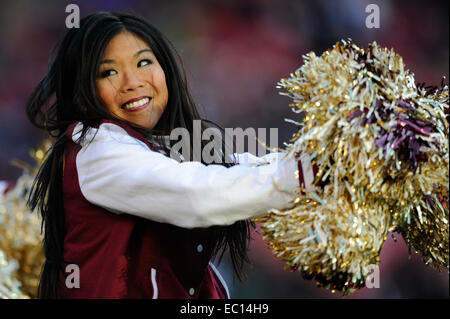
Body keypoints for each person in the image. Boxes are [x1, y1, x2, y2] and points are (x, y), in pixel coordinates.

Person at [26, 11, 306, 299]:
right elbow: (197, 194)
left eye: (144, 62)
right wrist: (304, 174)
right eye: (108, 72)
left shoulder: (161, 147)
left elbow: (236, 166)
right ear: (84, 88)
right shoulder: (98, 152)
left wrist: (323, 163)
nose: (132, 81)